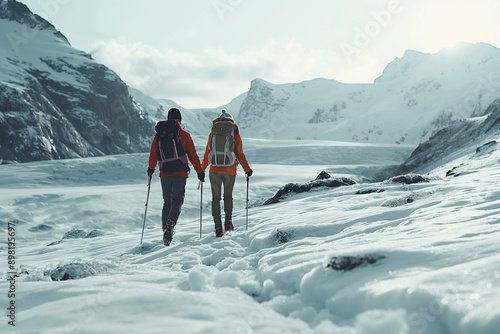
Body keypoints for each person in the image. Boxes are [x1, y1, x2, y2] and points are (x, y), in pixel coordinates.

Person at [148, 108, 205, 246]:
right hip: (180, 173)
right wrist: (200, 171)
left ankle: (165, 234)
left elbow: (153, 154)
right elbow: (192, 155)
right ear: (179, 119)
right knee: (177, 201)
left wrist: (151, 169)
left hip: (164, 173)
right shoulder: (184, 135)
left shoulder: (159, 136)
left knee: (167, 203)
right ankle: (171, 223)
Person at [201, 109, 252, 237]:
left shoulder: (213, 131)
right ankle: (228, 223)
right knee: (228, 196)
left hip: (214, 170)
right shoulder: (234, 132)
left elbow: (208, 152)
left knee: (215, 198)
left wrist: (202, 169)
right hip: (230, 170)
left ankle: (218, 227)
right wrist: (247, 169)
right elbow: (240, 153)